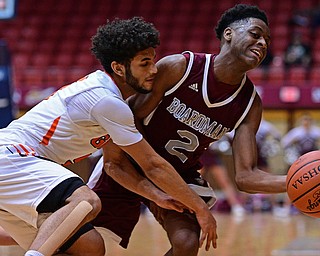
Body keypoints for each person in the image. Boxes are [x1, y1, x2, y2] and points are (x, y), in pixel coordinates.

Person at [0, 17, 218, 256]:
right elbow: (153, 165)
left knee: (90, 247)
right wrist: (200, 208)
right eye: (144, 64)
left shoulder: (109, 100)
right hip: (12, 156)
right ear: (118, 68)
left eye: (153, 61)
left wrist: (156, 196)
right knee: (87, 201)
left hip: (13, 169)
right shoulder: (106, 101)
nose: (154, 70)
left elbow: (114, 165)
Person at [88, 4, 287, 256]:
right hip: (131, 161)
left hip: (177, 175)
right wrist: (129, 165)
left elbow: (246, 177)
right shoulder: (181, 67)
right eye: (255, 34)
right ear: (229, 34)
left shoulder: (249, 103)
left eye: (267, 40)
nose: (263, 43)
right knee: (87, 244)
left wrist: (296, 182)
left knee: (186, 242)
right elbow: (128, 115)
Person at [199, 136, 246, 217]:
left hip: (213, 156)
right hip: (201, 154)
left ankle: (236, 206)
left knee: (224, 181)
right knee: (197, 180)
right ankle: (191, 206)